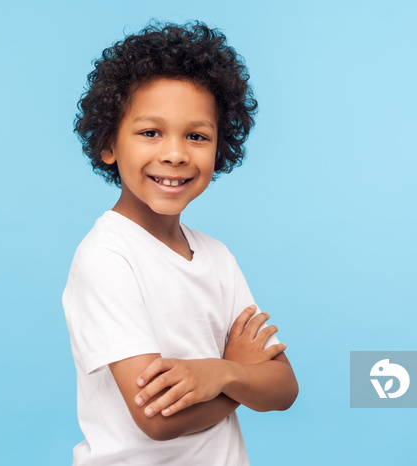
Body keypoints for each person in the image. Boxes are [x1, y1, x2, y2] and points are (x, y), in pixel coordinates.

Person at [63, 21, 299, 465]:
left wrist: (221, 371)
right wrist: (237, 379)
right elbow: (157, 418)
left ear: (219, 146)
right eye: (150, 132)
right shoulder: (107, 258)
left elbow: (284, 388)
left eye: (196, 136)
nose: (175, 154)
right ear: (108, 143)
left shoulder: (217, 257)